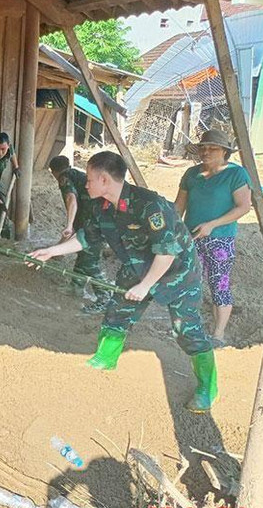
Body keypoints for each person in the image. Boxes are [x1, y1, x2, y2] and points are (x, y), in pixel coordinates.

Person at [29, 151, 217, 413]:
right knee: (117, 312)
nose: (86, 184)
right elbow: (86, 237)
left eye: (89, 180)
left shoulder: (149, 205)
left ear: (104, 180)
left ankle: (207, 387)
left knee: (185, 329)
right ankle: (105, 358)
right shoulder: (102, 206)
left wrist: (145, 286)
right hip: (137, 266)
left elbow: (166, 253)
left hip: (177, 271)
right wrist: (51, 251)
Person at [174, 129, 252, 347]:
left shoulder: (236, 174)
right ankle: (189, 329)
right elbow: (178, 206)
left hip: (221, 240)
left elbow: (244, 207)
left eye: (212, 148)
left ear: (224, 152)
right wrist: (173, 229)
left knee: (220, 285)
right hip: (191, 238)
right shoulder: (191, 174)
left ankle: (218, 334)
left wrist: (212, 225)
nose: (206, 152)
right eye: (203, 148)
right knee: (190, 284)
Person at [48, 155, 112, 314]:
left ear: (54, 172)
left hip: (96, 224)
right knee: (84, 255)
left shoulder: (64, 178)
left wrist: (69, 225)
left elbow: (71, 198)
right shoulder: (78, 175)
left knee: (90, 262)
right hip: (97, 219)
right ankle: (76, 286)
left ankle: (105, 298)